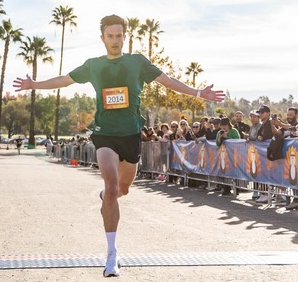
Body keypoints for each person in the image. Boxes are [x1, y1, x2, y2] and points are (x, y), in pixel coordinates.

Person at [13, 14, 224, 277]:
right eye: (110, 36)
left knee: (122, 189)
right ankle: (111, 254)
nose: (114, 40)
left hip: (131, 135)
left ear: (125, 37)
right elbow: (64, 80)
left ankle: (109, 197)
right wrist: (34, 84)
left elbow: (167, 82)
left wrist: (197, 92)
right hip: (104, 135)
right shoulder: (93, 65)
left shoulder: (137, 63)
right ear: (102, 38)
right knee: (111, 186)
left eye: (118, 36)